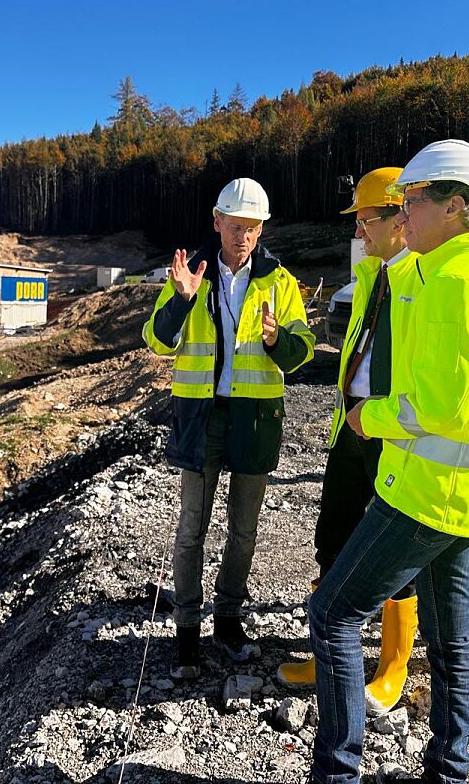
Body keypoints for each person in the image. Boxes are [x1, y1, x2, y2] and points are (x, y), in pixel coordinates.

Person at [308, 140, 469, 784]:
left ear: (455, 206)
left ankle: (338, 770)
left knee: (333, 614)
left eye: (413, 203)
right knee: (451, 640)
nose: (404, 216)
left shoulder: (454, 281)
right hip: (467, 494)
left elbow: (439, 406)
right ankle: (451, 767)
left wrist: (365, 416)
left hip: (424, 493)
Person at [142, 177, 315, 680]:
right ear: (217, 221)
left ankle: (230, 621)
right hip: (201, 418)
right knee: (192, 528)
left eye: (253, 229)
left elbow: (301, 351)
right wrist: (180, 300)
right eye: (235, 226)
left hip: (255, 420)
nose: (243, 237)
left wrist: (277, 339)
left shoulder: (279, 281)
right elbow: (156, 340)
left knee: (244, 530)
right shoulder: (190, 274)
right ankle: (187, 631)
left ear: (261, 230)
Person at [276, 167, 419, 717]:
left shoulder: (421, 280)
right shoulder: (375, 276)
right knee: (332, 538)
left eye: (367, 218)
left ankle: (393, 667)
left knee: (389, 554)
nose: (359, 229)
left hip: (392, 434)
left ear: (400, 219)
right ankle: (329, 653)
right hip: (353, 428)